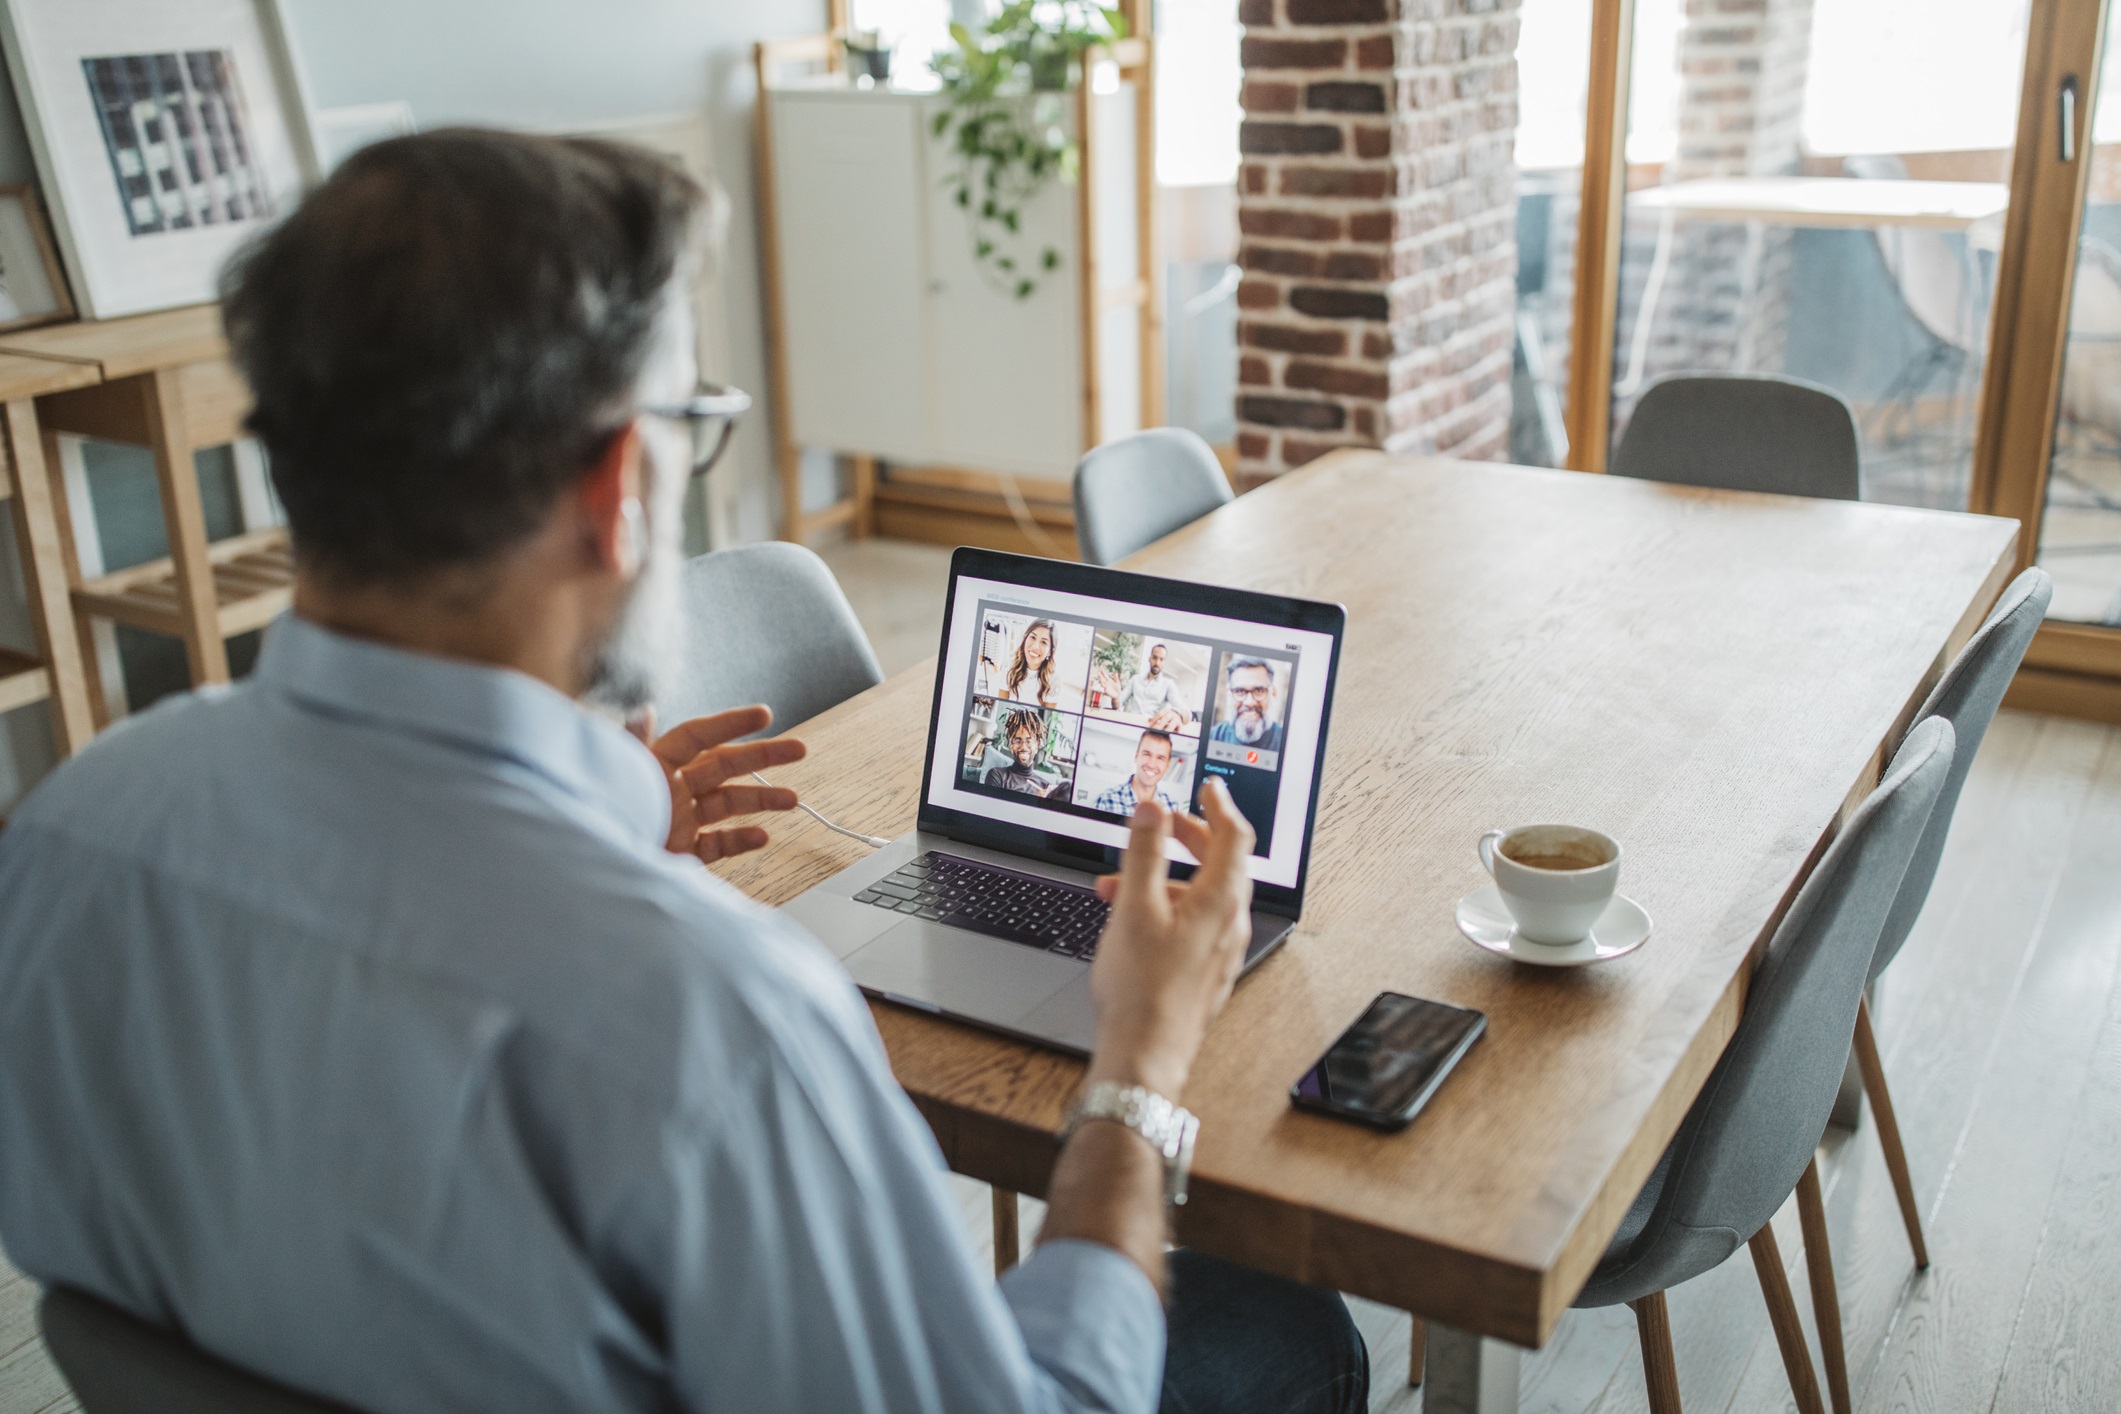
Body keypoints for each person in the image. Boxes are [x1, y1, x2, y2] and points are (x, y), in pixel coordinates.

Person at [0, 131, 1365, 1414]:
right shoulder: (720, 1021)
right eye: (691, 417)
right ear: (616, 489)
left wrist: (601, 817)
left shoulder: (68, 833)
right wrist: (1138, 1064)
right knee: (1289, 1337)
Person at [1096, 729, 1186, 817]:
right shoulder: (1106, 800)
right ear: (1136, 756)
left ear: (1167, 765)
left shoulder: (1173, 809)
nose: (1151, 765)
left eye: (1160, 758)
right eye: (1147, 754)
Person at [1210, 656, 1286, 756]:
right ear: (1229, 695)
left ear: (1273, 694)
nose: (1249, 702)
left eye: (1259, 691)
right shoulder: (1213, 737)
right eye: (1240, 691)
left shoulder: (1287, 743)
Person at [982, 707, 1058, 797]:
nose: (1023, 747)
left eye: (1029, 741)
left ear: (1037, 746)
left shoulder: (1045, 788)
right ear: (1011, 746)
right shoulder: (997, 776)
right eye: (1018, 741)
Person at [1120, 642, 1194, 732]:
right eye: (1154, 658)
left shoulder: (1168, 684)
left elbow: (1187, 713)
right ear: (1150, 659)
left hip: (1151, 730)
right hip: (1129, 726)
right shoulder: (1135, 679)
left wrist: (1178, 714)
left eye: (1161, 659)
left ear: (1164, 662)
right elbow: (1118, 703)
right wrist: (1115, 697)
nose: (1157, 662)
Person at [998, 619, 1058, 706]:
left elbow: (1046, 719)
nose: (1035, 646)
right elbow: (1001, 709)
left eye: (1044, 642)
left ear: (1050, 651)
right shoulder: (1009, 667)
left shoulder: (1054, 679)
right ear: (1025, 639)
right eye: (1033, 637)